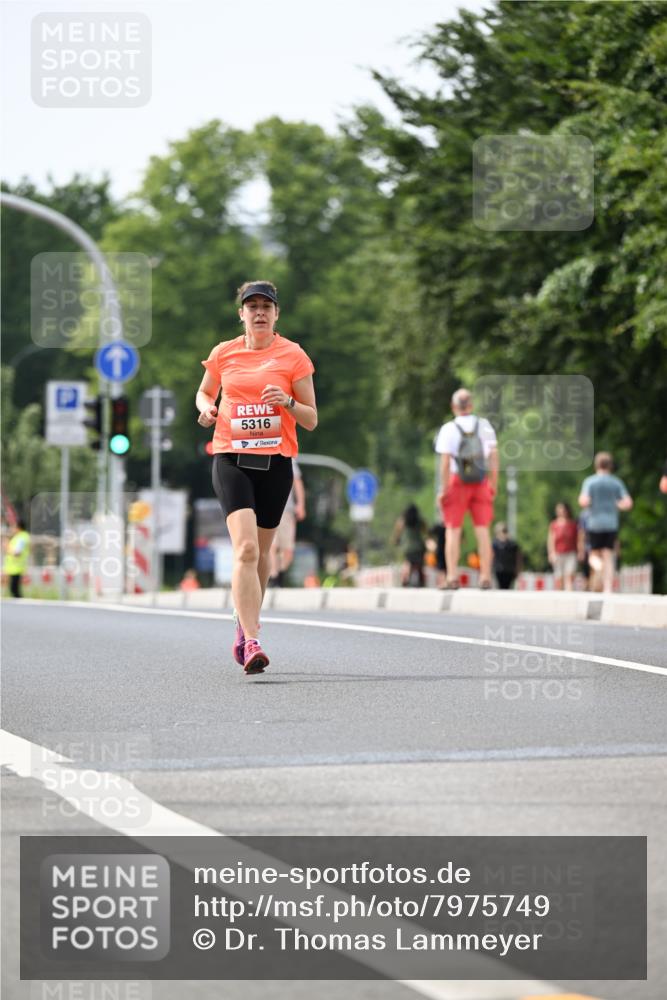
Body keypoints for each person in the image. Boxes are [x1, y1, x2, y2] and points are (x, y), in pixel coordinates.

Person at [196, 280, 317, 673]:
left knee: (264, 553)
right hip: (230, 456)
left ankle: (243, 622)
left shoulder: (293, 356)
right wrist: (207, 409)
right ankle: (251, 640)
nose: (259, 312)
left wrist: (288, 402)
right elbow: (203, 393)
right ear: (242, 314)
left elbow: (312, 419)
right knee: (246, 549)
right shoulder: (224, 353)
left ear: (277, 314)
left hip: (276, 462)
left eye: (267, 306)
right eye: (253, 306)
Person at [435, 388, 498, 589]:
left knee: (453, 531)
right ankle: (485, 576)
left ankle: (452, 576)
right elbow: (494, 457)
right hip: (480, 483)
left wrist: (443, 489)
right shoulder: (485, 426)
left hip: (457, 483)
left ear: (454, 407)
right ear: (471, 405)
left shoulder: (448, 429)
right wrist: (493, 484)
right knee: (483, 531)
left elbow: (445, 463)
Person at [578, 452, 633, 594]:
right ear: (610, 465)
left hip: (594, 523)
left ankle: (599, 566)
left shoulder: (590, 482)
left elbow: (583, 501)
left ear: (596, 465)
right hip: (611, 524)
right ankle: (608, 588)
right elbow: (628, 503)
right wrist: (617, 504)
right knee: (608, 555)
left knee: (593, 555)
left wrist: (591, 501)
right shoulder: (616, 482)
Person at [268, 459, 306, 586]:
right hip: (267, 508)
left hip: (286, 510)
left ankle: (279, 573)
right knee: (271, 545)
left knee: (288, 551)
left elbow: (297, 482)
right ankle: (273, 578)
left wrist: (300, 504)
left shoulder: (288, 458)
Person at [391, 504, 427, 587]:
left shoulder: (402, 521)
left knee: (408, 563)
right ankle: (422, 581)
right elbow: (425, 532)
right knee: (420, 565)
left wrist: (396, 541)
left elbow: (397, 534)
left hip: (407, 547)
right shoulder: (420, 521)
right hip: (419, 547)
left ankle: (405, 579)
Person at [547, 502, 578, 591]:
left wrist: (580, 551)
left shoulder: (573, 524)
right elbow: (551, 540)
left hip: (570, 552)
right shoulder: (554, 524)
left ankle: (569, 593)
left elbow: (578, 538)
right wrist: (551, 553)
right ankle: (560, 594)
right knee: (559, 577)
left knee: (569, 574)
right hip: (558, 553)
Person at [3, 519, 30, 598]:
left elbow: (17, 553)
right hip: (14, 567)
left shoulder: (21, 538)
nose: (12, 528)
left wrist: (7, 547)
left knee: (14, 589)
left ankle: (21, 606)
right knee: (14, 589)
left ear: (19, 527)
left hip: (16, 567)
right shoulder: (20, 537)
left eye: (14, 526)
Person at [492, 522, 521, 589]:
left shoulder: (512, 544)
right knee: (500, 587)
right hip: (498, 570)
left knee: (507, 588)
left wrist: (518, 569)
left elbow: (518, 557)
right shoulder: (495, 544)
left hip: (509, 570)